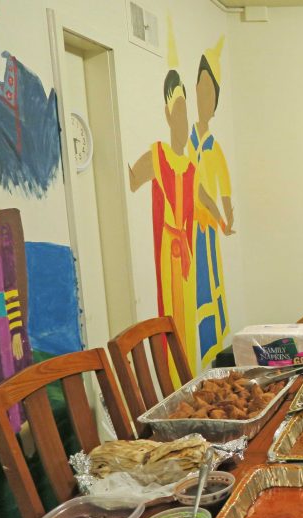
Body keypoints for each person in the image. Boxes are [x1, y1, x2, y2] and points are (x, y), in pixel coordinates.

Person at [129, 69, 197, 380]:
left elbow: (204, 200)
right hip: (167, 256)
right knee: (169, 317)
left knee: (187, 326)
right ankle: (172, 383)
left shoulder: (191, 165)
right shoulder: (157, 155)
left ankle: (189, 378)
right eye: (178, 110)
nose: (182, 120)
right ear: (167, 114)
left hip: (185, 257)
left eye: (186, 111)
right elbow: (131, 179)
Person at [188, 36, 233, 371]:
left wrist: (225, 218)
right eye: (200, 91)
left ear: (215, 104)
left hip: (207, 232)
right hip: (190, 232)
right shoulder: (186, 142)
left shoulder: (214, 147)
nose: (205, 99)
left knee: (209, 291)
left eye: (210, 94)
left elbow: (224, 189)